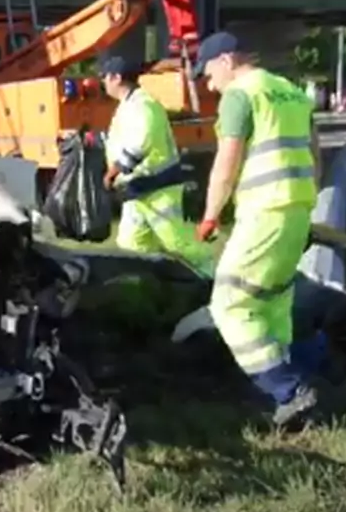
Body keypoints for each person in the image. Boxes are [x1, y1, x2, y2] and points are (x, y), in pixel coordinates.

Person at [192, 32, 322, 428]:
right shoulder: (291, 92)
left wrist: (211, 213)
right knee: (272, 301)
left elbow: (227, 160)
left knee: (230, 303)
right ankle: (281, 398)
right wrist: (307, 200)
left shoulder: (241, 94)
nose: (208, 84)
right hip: (296, 209)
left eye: (208, 72)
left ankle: (289, 389)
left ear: (226, 60)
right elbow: (316, 151)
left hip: (265, 210)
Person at [99, 55, 215, 276]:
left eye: (105, 77)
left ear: (117, 78)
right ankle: (152, 281)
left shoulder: (143, 104)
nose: (103, 82)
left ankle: (210, 274)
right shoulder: (130, 104)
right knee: (131, 243)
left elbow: (141, 142)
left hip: (159, 188)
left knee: (176, 242)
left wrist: (114, 171)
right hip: (138, 189)